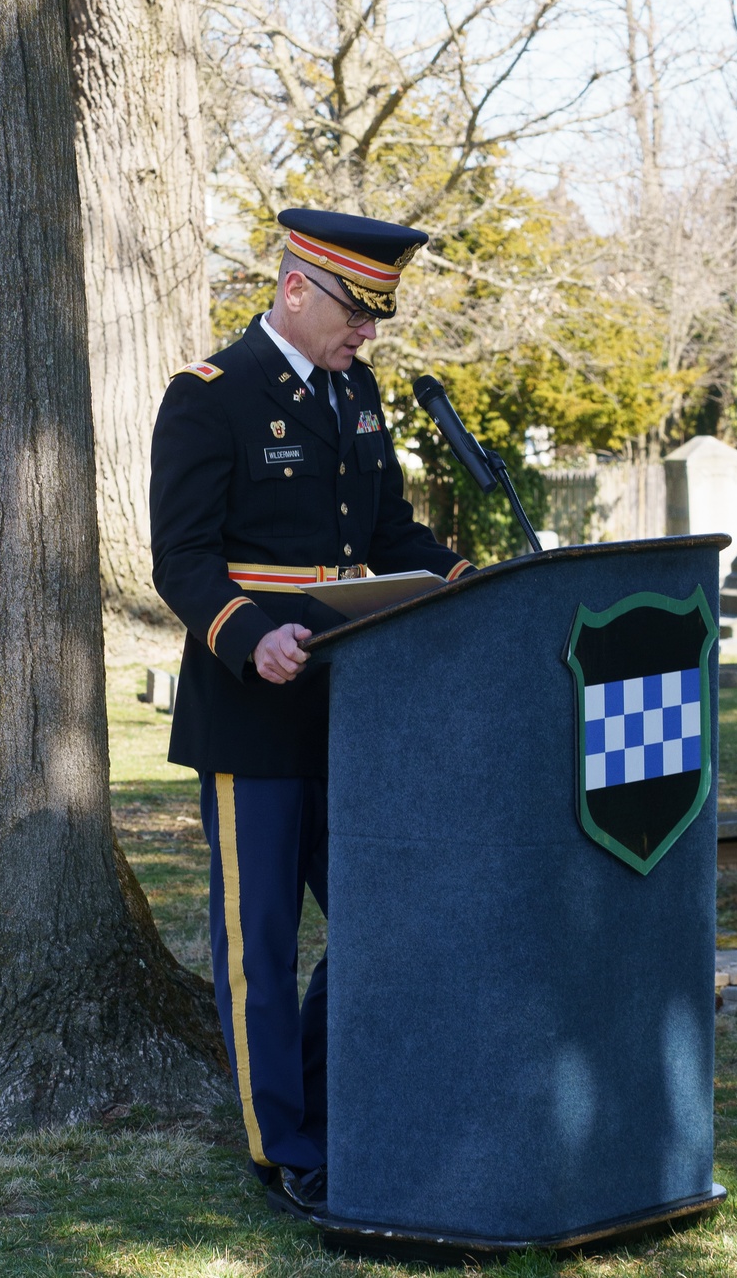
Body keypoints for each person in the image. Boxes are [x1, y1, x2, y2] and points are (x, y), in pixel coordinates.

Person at [149, 208, 474, 1218]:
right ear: (297, 288)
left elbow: (383, 531)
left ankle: (334, 1103)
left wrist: (472, 581)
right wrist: (250, 635)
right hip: (250, 711)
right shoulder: (210, 397)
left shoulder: (354, 392)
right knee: (259, 942)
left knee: (379, 914)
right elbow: (183, 557)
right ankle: (279, 1144)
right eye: (356, 311)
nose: (367, 334)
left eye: (377, 317)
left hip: (350, 708)